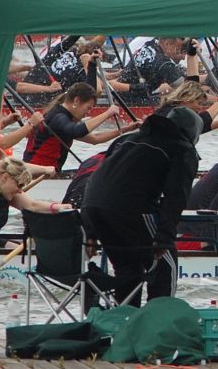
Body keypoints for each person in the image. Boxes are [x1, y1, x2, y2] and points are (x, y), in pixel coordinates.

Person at [82, 85, 209, 304]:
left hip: (93, 209)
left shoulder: (128, 139)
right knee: (165, 264)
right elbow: (176, 197)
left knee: (127, 267)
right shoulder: (182, 149)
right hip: (130, 209)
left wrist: (90, 230)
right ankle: (158, 318)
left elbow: (99, 179)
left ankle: (126, 317)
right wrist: (165, 237)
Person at [22, 82, 135, 168]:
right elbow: (76, 131)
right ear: (76, 101)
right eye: (88, 108)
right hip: (37, 173)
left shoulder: (64, 117)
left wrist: (126, 129)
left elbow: (95, 139)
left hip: (46, 171)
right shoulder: (58, 118)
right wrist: (107, 113)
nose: (88, 113)